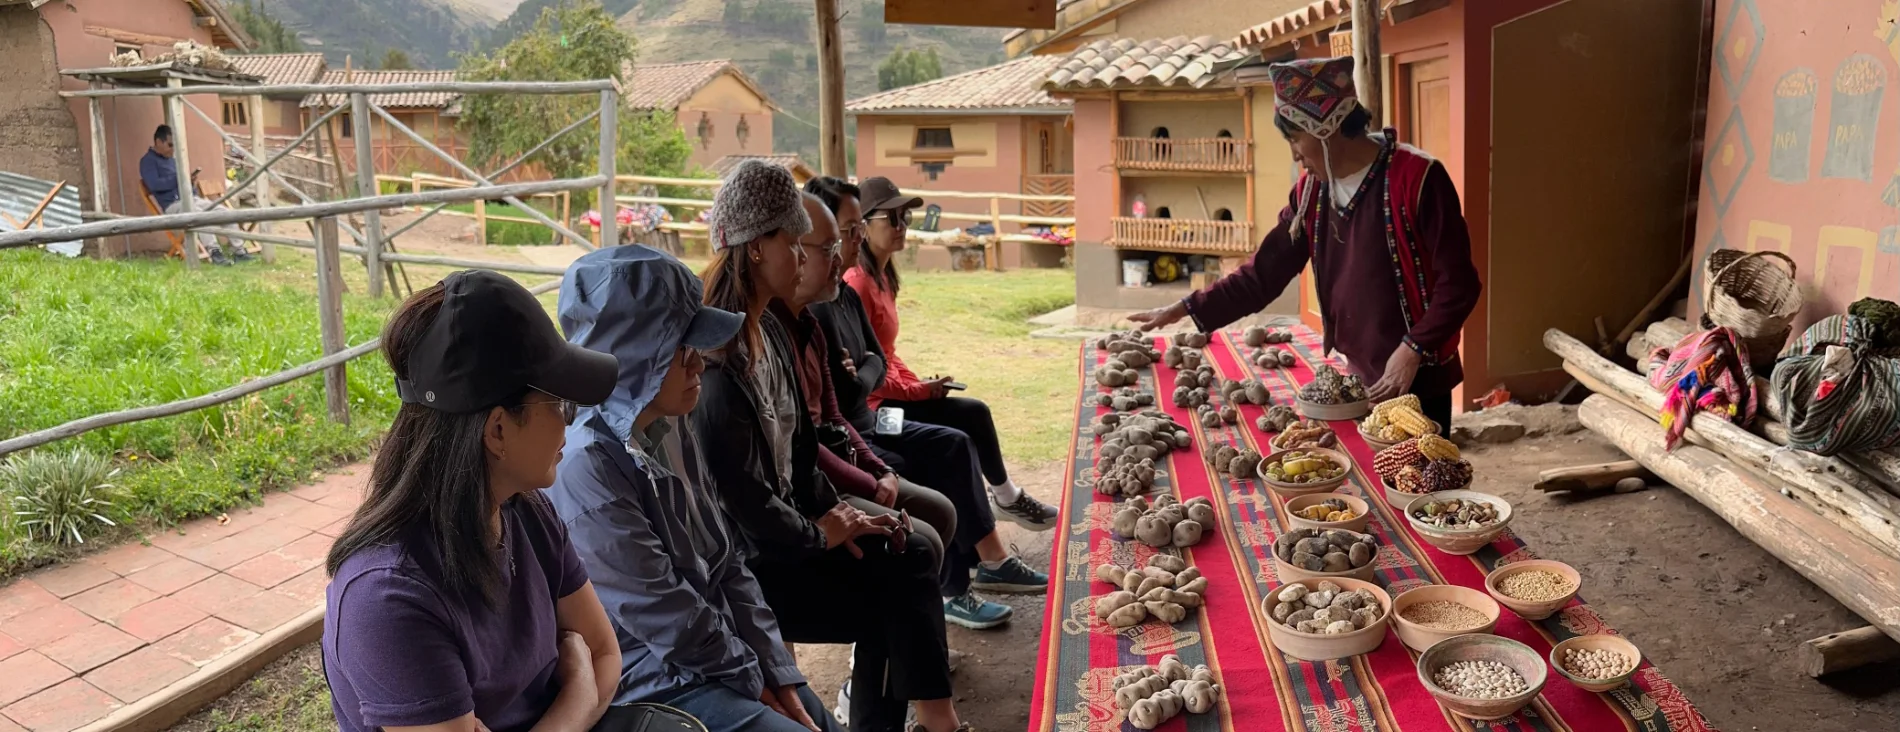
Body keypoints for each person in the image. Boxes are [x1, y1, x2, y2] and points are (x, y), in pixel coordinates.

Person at [693, 161, 970, 732]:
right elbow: (745, 504)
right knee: (906, 572)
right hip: (760, 564)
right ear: (752, 247)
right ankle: (934, 721)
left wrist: (845, 513)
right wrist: (823, 531)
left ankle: (894, 720)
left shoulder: (770, 330)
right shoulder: (722, 360)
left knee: (902, 549)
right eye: (793, 243)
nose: (802, 259)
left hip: (797, 532)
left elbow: (802, 450)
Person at [546, 244, 842, 732]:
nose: (699, 363)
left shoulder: (670, 424)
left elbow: (727, 560)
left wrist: (778, 671)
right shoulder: (588, 465)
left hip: (716, 657)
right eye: (681, 348)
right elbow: (663, 614)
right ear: (635, 357)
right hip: (651, 679)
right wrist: (754, 680)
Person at [322, 271, 622, 732]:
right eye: (561, 404)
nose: (569, 424)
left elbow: (604, 651)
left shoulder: (526, 512)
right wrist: (579, 690)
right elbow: (591, 665)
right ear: (498, 430)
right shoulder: (388, 598)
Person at [1129, 57, 1481, 432]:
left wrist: (1412, 349)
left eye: (1296, 138)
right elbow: (1263, 275)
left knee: (1420, 487)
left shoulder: (1418, 179)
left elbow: (1458, 286)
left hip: (1418, 377)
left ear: (1326, 128)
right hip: (1357, 378)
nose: (1295, 154)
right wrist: (1186, 307)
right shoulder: (1311, 192)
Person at [804, 177, 1047, 629]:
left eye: (857, 229)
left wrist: (884, 375)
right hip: (872, 422)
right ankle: (962, 582)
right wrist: (896, 387)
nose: (852, 240)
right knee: (946, 455)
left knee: (963, 426)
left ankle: (995, 533)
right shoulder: (837, 295)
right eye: (847, 231)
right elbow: (854, 392)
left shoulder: (850, 291)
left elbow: (876, 360)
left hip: (873, 418)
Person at [845, 176, 1059, 531]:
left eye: (906, 218)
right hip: (875, 415)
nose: (901, 227)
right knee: (955, 440)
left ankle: (1006, 498)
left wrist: (920, 384)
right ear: (863, 227)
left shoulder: (883, 278)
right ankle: (990, 537)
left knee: (972, 413)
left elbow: (886, 354)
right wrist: (918, 391)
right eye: (891, 219)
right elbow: (871, 375)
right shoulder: (858, 283)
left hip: (891, 400)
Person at [139, 124, 246, 265]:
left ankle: (239, 251)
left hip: (192, 199)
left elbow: (180, 183)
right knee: (198, 214)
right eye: (170, 145)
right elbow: (155, 185)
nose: (173, 149)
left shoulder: (172, 160)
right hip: (173, 205)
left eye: (175, 145)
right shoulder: (147, 161)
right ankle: (214, 252)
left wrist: (190, 182)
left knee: (223, 211)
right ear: (159, 142)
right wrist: (179, 179)